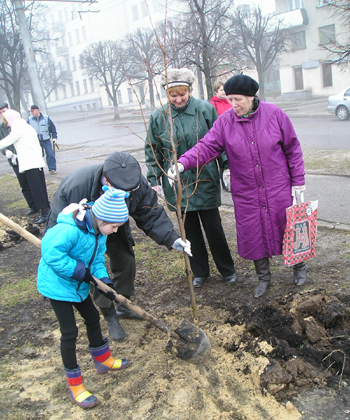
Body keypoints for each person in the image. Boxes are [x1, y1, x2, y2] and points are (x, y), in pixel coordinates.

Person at [169, 74, 306, 298]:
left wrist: (298, 180)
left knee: (288, 226)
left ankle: (299, 267)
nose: (232, 105)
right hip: (247, 191)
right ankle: (263, 277)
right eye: (230, 99)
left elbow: (292, 148)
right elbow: (206, 146)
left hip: (277, 187)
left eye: (237, 99)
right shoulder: (225, 122)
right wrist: (182, 164)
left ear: (251, 97)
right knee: (254, 232)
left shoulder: (275, 115)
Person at [46, 151, 191, 342]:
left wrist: (171, 238)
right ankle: (108, 312)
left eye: (131, 191)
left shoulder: (134, 182)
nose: (129, 194)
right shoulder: (76, 186)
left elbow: (150, 213)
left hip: (113, 227)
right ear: (107, 181)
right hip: (80, 230)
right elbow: (55, 227)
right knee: (92, 270)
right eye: (125, 192)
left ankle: (123, 304)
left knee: (126, 260)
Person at [37, 186, 131, 409]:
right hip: (57, 286)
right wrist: (78, 270)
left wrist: (105, 282)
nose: (116, 231)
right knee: (69, 332)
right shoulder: (69, 230)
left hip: (78, 285)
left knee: (92, 318)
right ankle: (75, 385)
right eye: (114, 226)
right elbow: (50, 253)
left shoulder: (99, 234)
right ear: (101, 219)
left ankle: (103, 360)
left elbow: (97, 261)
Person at [145, 68, 237, 289]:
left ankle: (227, 269)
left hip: (204, 178)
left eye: (182, 94)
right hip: (176, 183)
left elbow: (220, 140)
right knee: (190, 232)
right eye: (173, 95)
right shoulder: (159, 117)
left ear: (189, 90)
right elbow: (152, 150)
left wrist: (226, 167)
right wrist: (154, 179)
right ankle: (200, 271)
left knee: (214, 228)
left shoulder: (205, 110)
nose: (178, 99)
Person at [0, 109, 51, 224]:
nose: (7, 124)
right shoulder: (26, 126)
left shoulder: (18, 128)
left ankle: (45, 213)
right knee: (40, 188)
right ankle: (46, 210)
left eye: (7, 121)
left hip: (30, 163)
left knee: (37, 189)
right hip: (35, 162)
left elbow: (6, 141)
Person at [0, 103, 38, 216]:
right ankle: (32, 205)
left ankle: (40, 204)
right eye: (1, 112)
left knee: (33, 182)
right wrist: (6, 152)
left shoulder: (18, 124)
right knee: (24, 184)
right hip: (13, 159)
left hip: (24, 156)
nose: (3, 114)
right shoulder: (1, 128)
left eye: (5, 111)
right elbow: (3, 142)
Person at [27, 104, 58, 174]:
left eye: (33, 111)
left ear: (38, 110)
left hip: (46, 139)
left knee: (50, 154)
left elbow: (52, 128)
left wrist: (54, 137)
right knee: (38, 155)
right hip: (35, 141)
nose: (32, 113)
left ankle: (52, 169)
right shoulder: (29, 120)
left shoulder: (46, 118)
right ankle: (39, 170)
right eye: (31, 111)